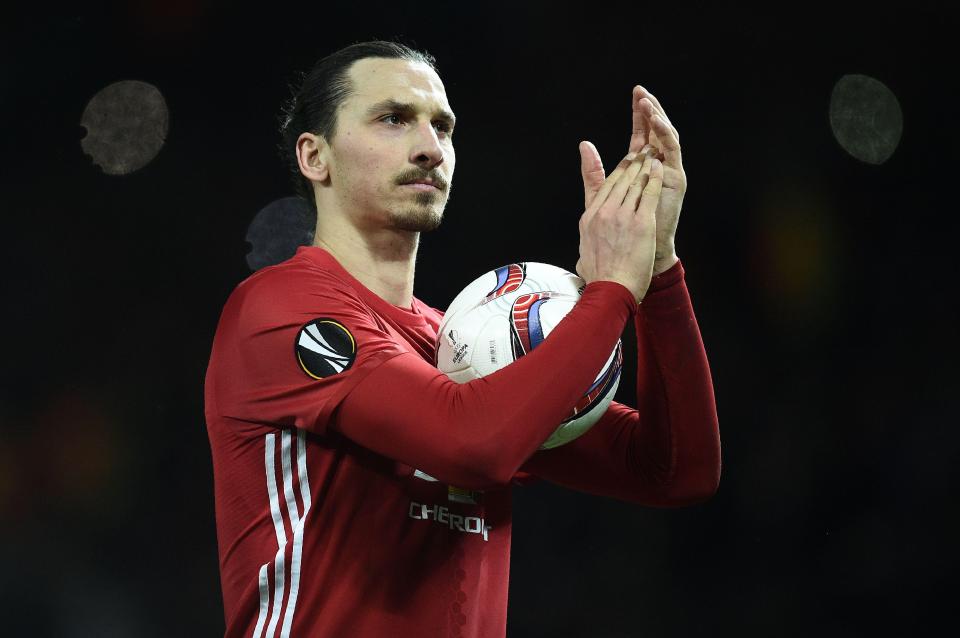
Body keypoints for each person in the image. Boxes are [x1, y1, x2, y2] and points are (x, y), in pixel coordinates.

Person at [204, 40, 721, 638]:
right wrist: (610, 293)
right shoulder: (276, 308)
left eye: (442, 127)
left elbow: (676, 471)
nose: (430, 147)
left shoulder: (468, 349)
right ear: (315, 157)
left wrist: (657, 272)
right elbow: (471, 443)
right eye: (393, 119)